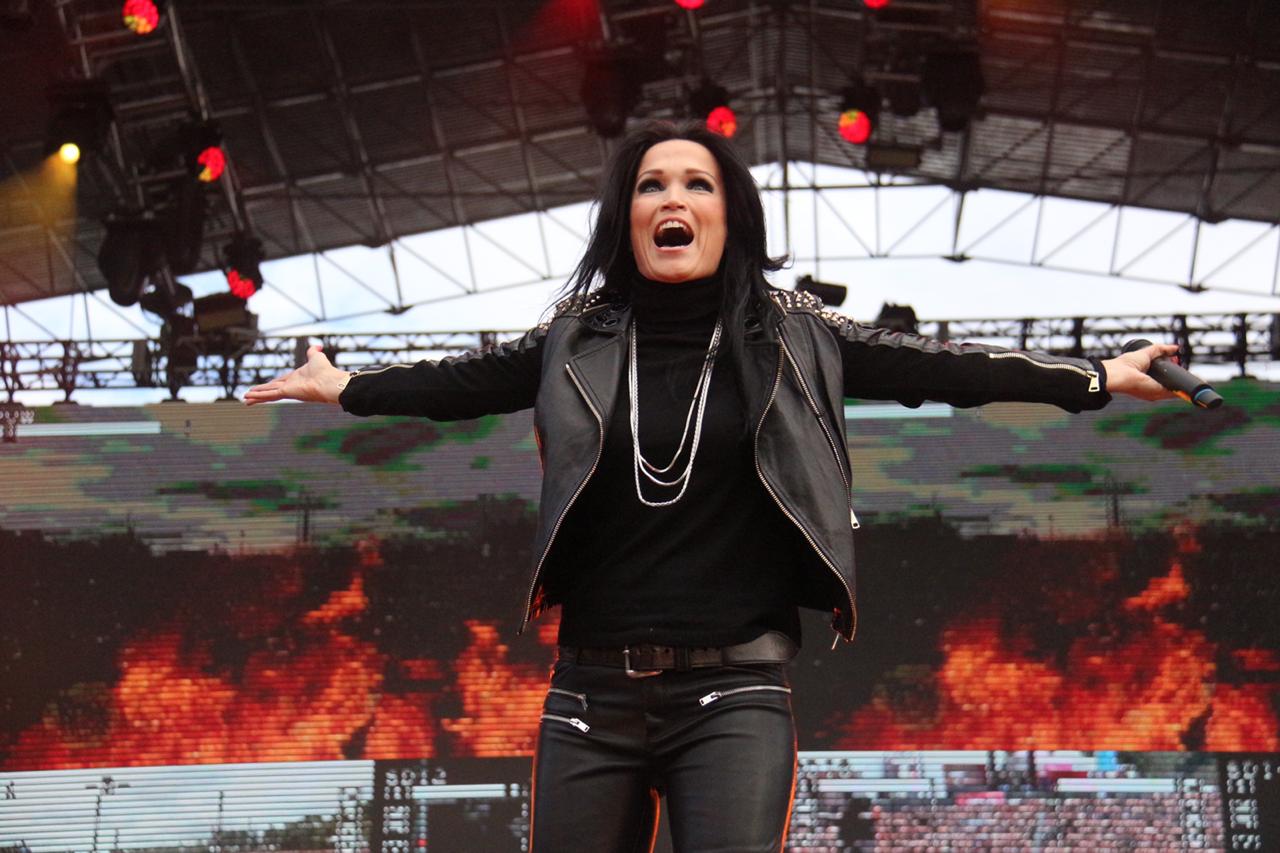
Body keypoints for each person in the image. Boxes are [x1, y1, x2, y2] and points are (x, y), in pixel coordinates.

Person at [245, 120, 1177, 852]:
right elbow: (461, 383)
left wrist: (1094, 378)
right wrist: (346, 388)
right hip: (589, 696)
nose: (673, 198)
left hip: (733, 693)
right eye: (651, 184)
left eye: (698, 184)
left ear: (731, 217)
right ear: (627, 216)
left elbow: (943, 367)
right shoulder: (577, 338)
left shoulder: (795, 333)